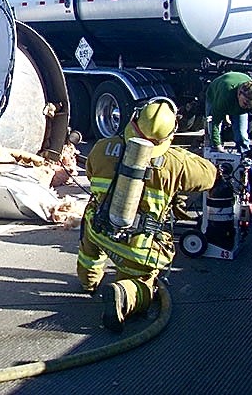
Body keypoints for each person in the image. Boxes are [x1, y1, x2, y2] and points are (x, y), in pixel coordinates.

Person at [76, 97, 217, 333]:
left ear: (135, 119)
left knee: (89, 245)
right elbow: (210, 175)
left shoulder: (101, 148)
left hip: (98, 229)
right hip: (137, 247)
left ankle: (88, 282)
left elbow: (91, 174)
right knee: (142, 286)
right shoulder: (175, 162)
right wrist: (183, 156)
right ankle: (124, 293)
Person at [204, 72, 252, 153]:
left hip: (232, 97)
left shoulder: (248, 99)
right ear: (239, 93)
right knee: (212, 128)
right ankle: (214, 151)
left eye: (251, 105)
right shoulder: (224, 97)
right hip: (215, 94)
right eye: (246, 103)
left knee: (241, 133)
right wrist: (218, 145)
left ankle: (244, 152)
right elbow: (215, 123)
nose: (247, 107)